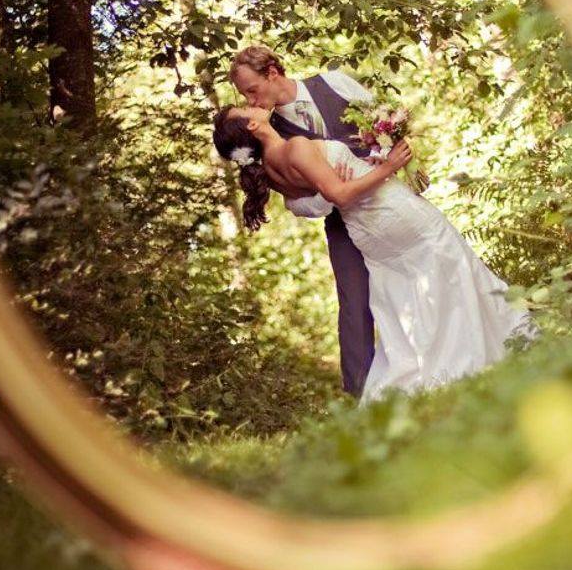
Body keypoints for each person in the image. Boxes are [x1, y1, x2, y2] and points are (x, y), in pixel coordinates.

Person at [212, 100, 537, 405]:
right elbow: (339, 194)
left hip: (367, 231)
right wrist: (389, 166)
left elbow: (318, 198)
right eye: (246, 106)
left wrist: (363, 165)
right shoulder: (294, 147)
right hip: (389, 211)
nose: (252, 102)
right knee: (451, 266)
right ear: (253, 124)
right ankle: (487, 353)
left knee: (411, 294)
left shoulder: (269, 169)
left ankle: (445, 367)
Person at [229, 45, 377, 397]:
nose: (252, 101)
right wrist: (328, 190)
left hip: (388, 201)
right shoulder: (266, 133)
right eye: (244, 95)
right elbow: (297, 204)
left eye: (253, 90)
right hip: (343, 222)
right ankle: (361, 396)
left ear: (273, 73)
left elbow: (386, 125)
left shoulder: (335, 83)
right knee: (354, 304)